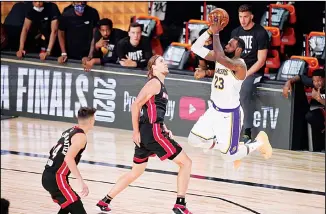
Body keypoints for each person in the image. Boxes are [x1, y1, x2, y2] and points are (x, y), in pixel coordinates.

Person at [96, 55, 193, 214]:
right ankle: (180, 204)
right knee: (186, 163)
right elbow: (136, 105)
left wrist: (164, 127)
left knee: (136, 171)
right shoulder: (154, 83)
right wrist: (135, 131)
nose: (165, 63)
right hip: (152, 132)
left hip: (150, 131)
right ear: (153, 68)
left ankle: (105, 200)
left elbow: (153, 111)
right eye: (161, 61)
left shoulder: (160, 85)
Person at [190, 14, 272, 168]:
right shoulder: (220, 57)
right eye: (227, 43)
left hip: (230, 115)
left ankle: (259, 142)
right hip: (213, 110)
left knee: (229, 156)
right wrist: (209, 31)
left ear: (239, 49)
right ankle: (229, 147)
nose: (227, 45)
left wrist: (215, 32)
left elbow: (221, 58)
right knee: (193, 140)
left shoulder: (239, 66)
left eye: (231, 44)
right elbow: (195, 48)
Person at [42, 107, 96, 214]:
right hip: (57, 178)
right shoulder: (81, 137)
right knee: (77, 208)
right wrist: (81, 181)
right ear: (91, 120)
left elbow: (53, 150)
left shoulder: (70, 131)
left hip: (48, 174)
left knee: (68, 205)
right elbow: (68, 158)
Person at [231, 4, 269, 143]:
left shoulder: (260, 33)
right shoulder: (235, 32)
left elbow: (261, 60)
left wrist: (245, 74)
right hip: (238, 69)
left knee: (245, 91)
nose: (243, 20)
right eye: (240, 17)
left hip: (254, 72)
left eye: (245, 17)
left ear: (252, 16)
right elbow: (232, 56)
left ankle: (247, 132)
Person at [282, 69, 325, 152]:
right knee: (310, 116)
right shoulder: (313, 83)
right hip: (322, 110)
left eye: (319, 80)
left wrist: (320, 99)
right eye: (314, 81)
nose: (316, 83)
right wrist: (288, 82)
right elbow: (300, 77)